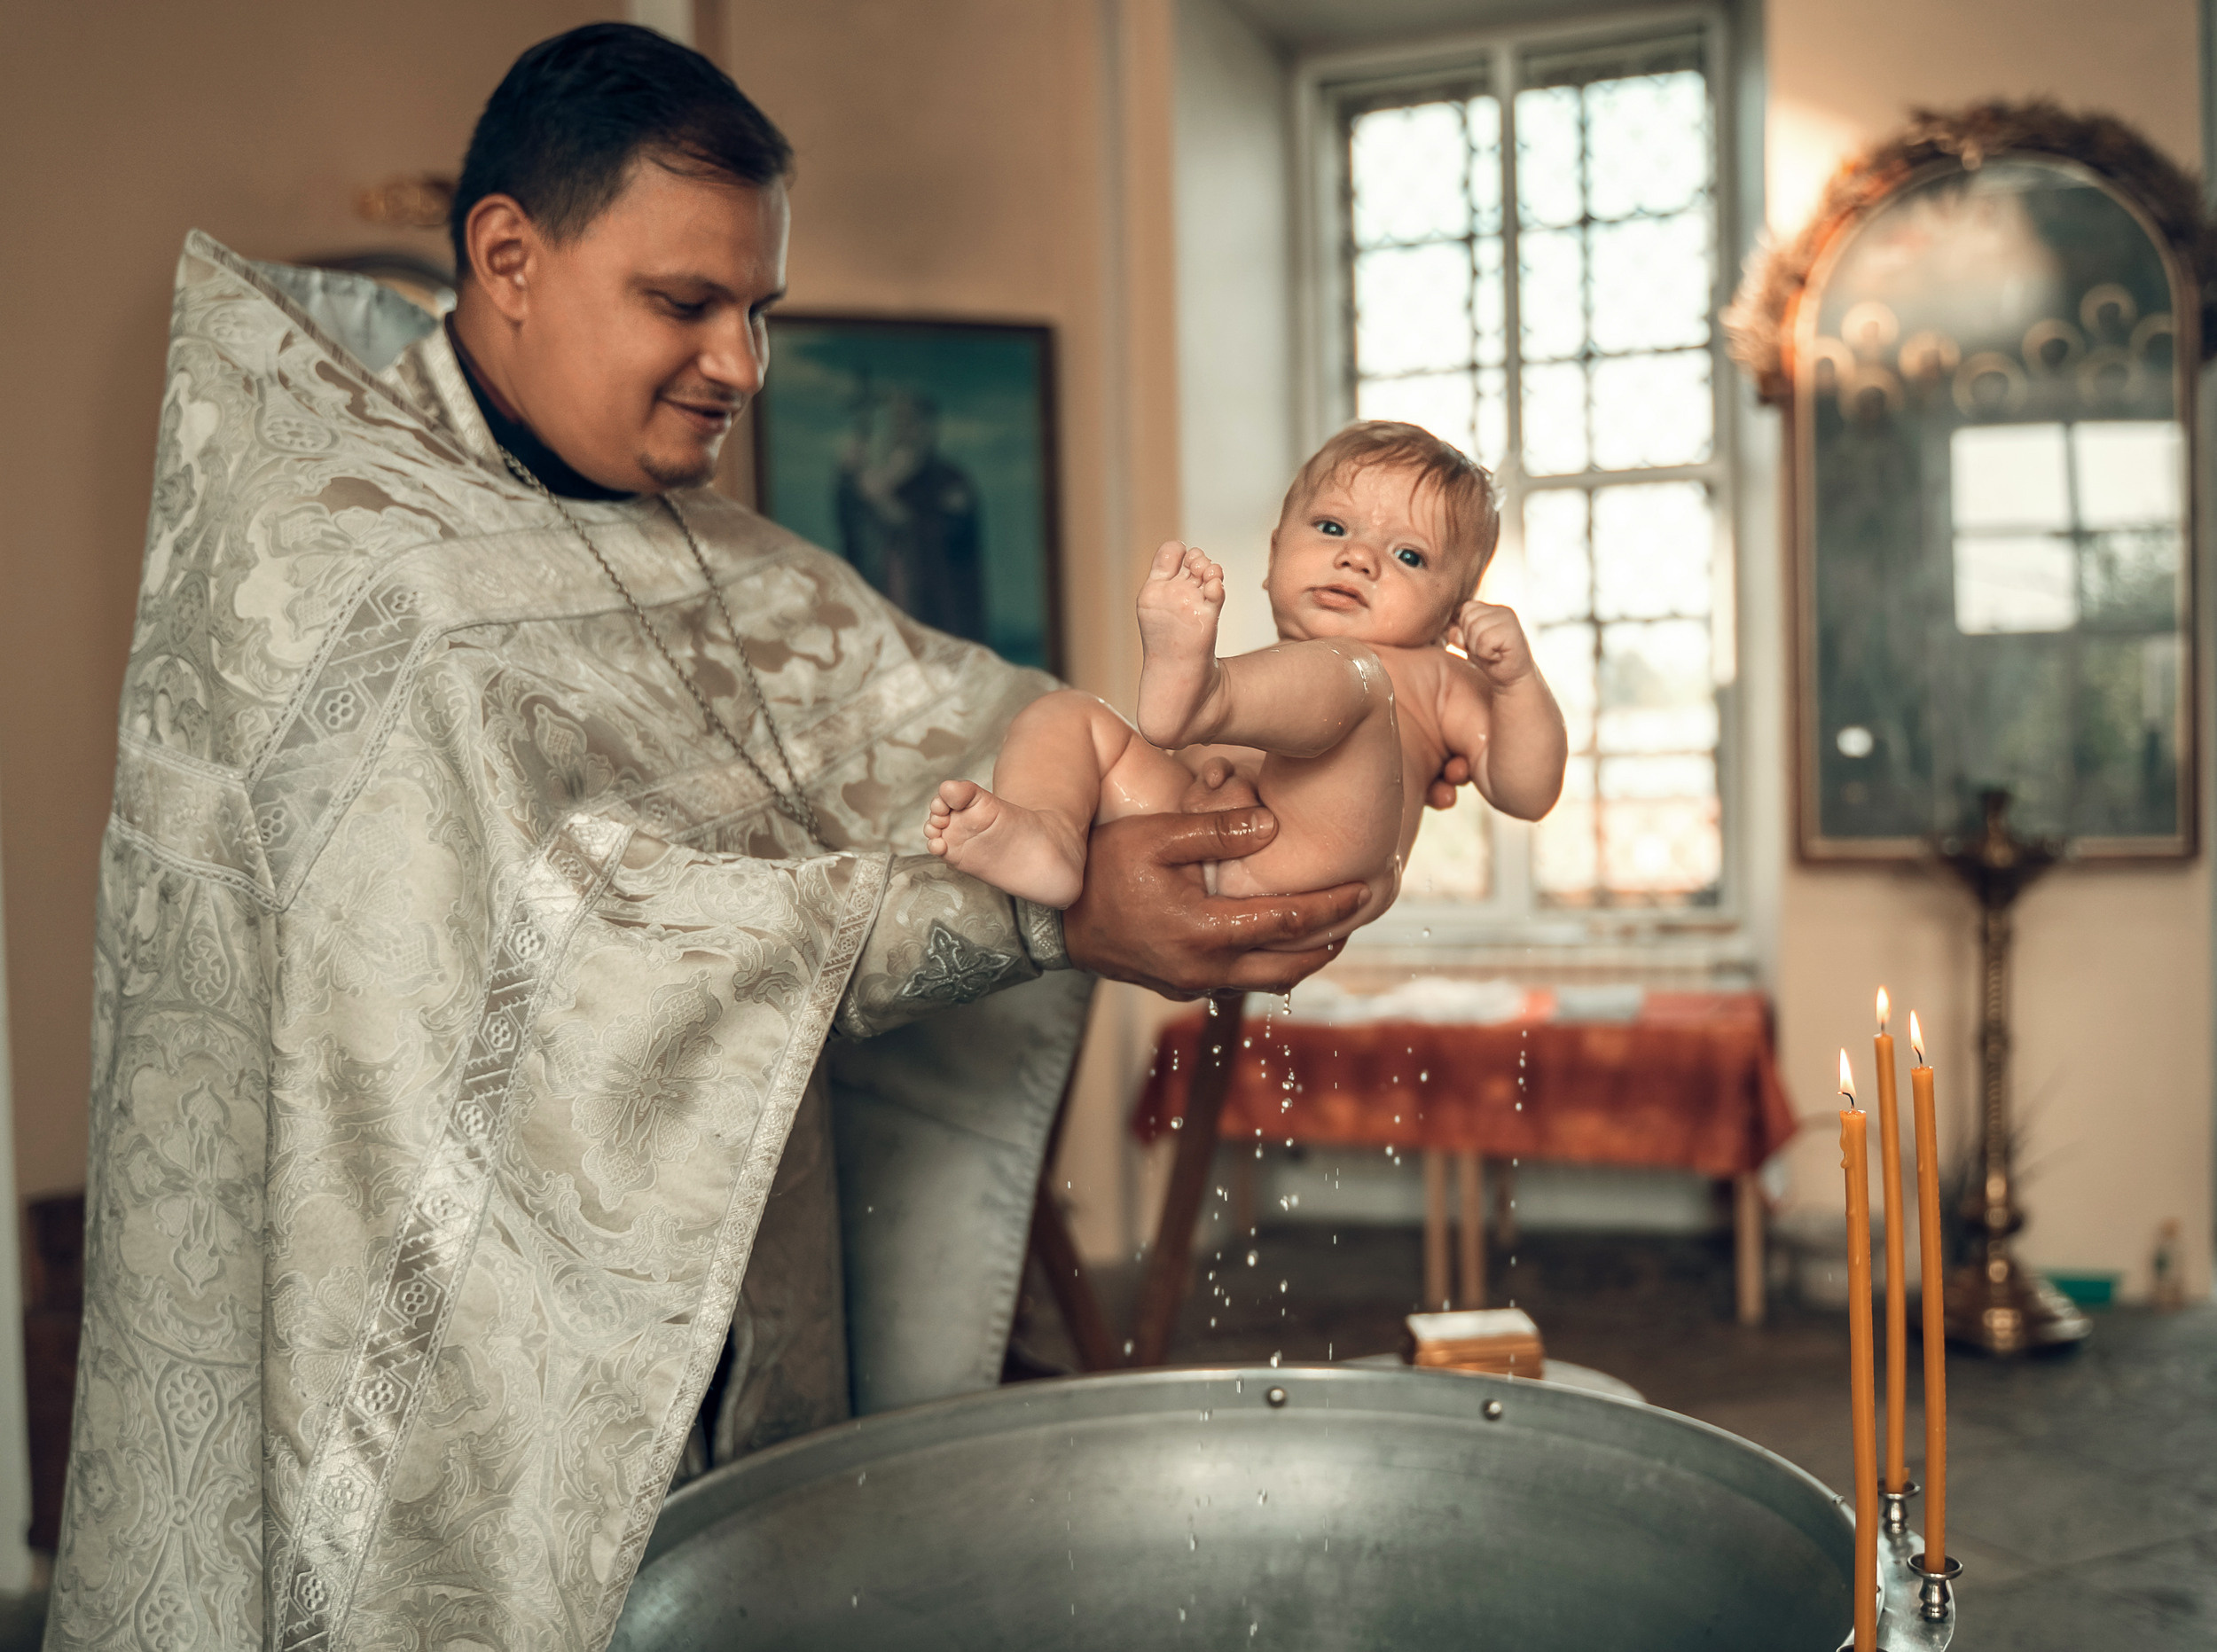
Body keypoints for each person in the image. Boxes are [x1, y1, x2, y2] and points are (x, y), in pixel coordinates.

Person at [46, 24, 1386, 1650]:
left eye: (761, 311)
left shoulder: (734, 556)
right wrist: (1046, 912)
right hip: (472, 1404)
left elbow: (981, 717)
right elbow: (587, 946)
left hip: (757, 1318)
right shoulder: (351, 565)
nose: (743, 364)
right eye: (686, 303)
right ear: (510, 257)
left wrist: (1225, 782)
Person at [926, 423, 1567, 933]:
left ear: (1451, 614)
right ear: (1272, 557)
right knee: (1065, 714)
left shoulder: (1437, 676)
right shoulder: (1282, 670)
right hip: (1185, 829)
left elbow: (1527, 792)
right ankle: (1049, 836)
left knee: (1355, 675)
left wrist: (1516, 683)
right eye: (1331, 527)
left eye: (1409, 555)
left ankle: (1202, 699)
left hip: (1318, 855)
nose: (1357, 556)